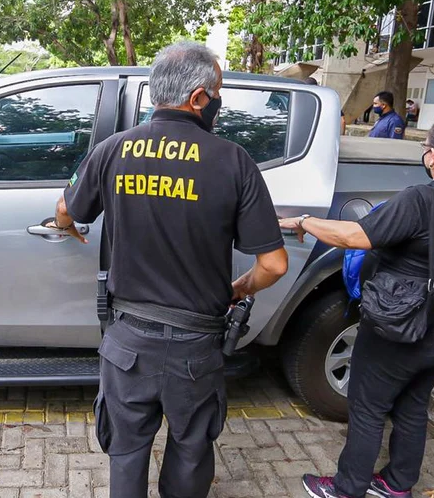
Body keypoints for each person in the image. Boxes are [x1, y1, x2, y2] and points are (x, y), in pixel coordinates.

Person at [53, 41, 289, 498]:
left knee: (126, 453)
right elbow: (274, 264)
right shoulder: (234, 161)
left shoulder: (112, 150)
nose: (219, 102)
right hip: (196, 349)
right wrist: (239, 288)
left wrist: (66, 224)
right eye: (217, 92)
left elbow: (68, 207)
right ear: (199, 98)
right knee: (191, 450)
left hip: (128, 345)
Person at [280, 111, 434, 498]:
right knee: (414, 404)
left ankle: (346, 489)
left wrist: (303, 221)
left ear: (433, 155)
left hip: (405, 323)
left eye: (425, 148)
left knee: (367, 408)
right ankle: (397, 484)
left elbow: (353, 236)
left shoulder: (421, 199)